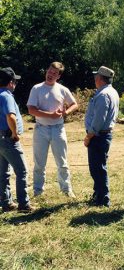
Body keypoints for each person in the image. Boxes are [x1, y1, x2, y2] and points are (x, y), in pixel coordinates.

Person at [27, 62, 78, 197]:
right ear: (47, 71)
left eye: (54, 73)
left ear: (58, 76)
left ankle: (67, 190)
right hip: (41, 129)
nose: (51, 74)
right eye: (50, 71)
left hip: (58, 129)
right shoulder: (36, 88)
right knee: (39, 163)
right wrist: (50, 115)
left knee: (62, 162)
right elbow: (31, 109)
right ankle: (38, 191)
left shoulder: (62, 89)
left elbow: (74, 104)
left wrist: (66, 112)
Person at [84, 66, 119, 207]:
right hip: (102, 136)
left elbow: (99, 119)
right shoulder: (111, 92)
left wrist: (89, 135)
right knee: (99, 167)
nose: (94, 79)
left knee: (97, 169)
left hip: (98, 136)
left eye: (95, 76)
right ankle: (98, 194)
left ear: (100, 78)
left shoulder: (104, 94)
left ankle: (103, 200)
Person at [0, 67, 33, 212]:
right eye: (15, 81)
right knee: (22, 171)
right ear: (11, 82)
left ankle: (6, 202)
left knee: (3, 173)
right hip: (8, 138)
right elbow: (10, 116)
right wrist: (14, 133)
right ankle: (23, 204)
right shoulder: (6, 96)